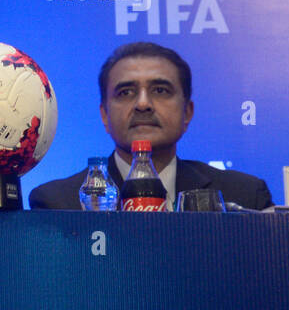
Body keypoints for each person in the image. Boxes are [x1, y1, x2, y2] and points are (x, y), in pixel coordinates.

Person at [29, 42, 272, 210]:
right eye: (126, 92)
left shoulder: (244, 195)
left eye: (160, 90)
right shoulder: (58, 202)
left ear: (187, 112)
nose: (143, 104)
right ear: (104, 115)